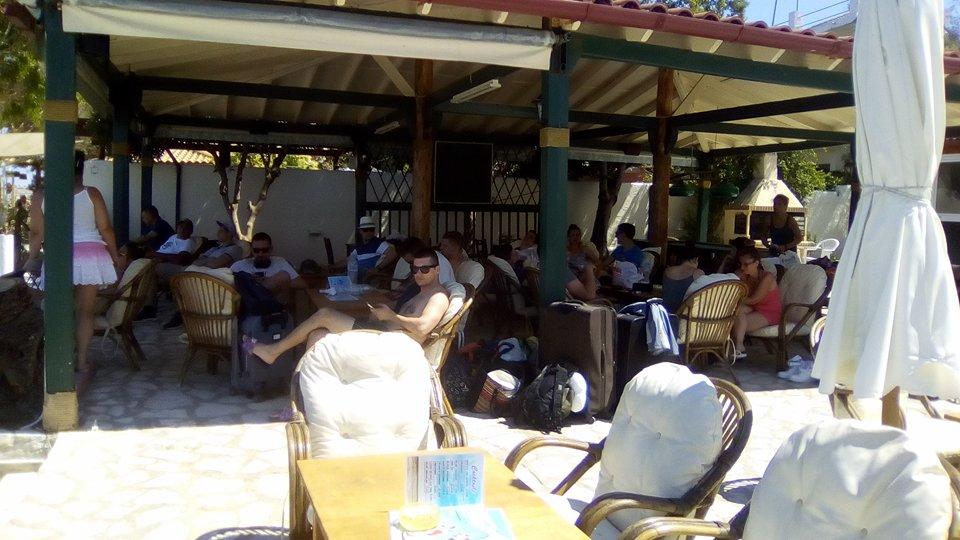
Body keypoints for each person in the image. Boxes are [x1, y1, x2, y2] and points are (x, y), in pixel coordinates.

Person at [252, 248, 450, 364]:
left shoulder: (438, 296)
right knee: (317, 335)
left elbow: (423, 327)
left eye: (425, 269)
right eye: (415, 269)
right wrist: (382, 311)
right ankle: (304, 400)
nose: (418, 273)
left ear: (437, 270)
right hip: (379, 332)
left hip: (388, 343)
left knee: (325, 314)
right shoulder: (418, 293)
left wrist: (391, 316)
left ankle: (273, 351)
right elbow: (402, 316)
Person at [26, 150, 118, 392]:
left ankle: (59, 361)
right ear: (81, 170)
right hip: (90, 257)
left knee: (59, 310)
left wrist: (30, 259)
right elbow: (106, 228)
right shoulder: (91, 193)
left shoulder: (41, 196)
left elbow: (37, 233)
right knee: (85, 312)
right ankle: (82, 361)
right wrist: (115, 255)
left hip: (59, 258)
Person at [732, 246, 782, 359]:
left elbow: (754, 299)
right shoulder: (744, 276)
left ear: (756, 263)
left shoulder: (767, 277)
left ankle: (739, 347)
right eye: (740, 264)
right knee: (733, 311)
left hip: (769, 312)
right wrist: (737, 277)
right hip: (753, 308)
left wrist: (733, 298)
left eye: (746, 264)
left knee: (731, 323)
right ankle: (733, 347)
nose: (742, 267)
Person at [229, 232, 302, 296]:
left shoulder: (280, 262)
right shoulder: (240, 265)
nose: (260, 254)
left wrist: (272, 282)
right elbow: (224, 282)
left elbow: (301, 284)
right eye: (256, 250)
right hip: (249, 303)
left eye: (265, 250)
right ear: (251, 250)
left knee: (283, 276)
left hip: (275, 304)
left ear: (271, 249)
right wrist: (250, 281)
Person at [347, 216, 397, 282]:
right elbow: (349, 259)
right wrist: (333, 266)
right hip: (356, 278)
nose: (369, 232)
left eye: (371, 229)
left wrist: (377, 269)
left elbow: (393, 253)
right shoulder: (359, 246)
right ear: (360, 231)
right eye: (365, 230)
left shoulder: (378, 243)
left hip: (371, 279)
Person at [662, 247, 705, 312]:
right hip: (684, 314)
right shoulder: (698, 272)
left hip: (665, 312)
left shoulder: (667, 270)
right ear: (695, 259)